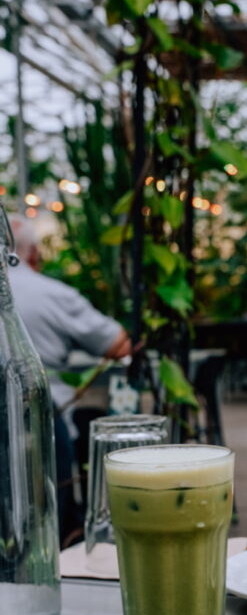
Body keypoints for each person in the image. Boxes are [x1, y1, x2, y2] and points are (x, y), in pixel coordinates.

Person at [7, 213, 132, 543]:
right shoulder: (49, 293)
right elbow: (119, 343)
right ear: (32, 252)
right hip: (42, 426)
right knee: (46, 531)